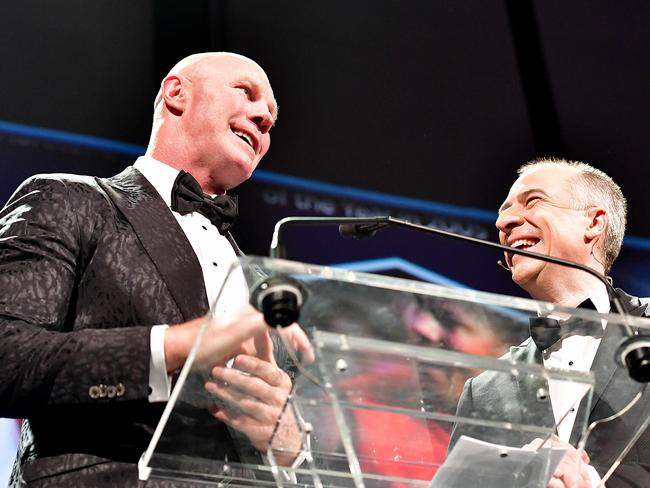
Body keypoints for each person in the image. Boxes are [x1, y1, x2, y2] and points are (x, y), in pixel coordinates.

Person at [0, 52, 312, 486]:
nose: (263, 118)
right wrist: (179, 345)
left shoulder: (265, 293)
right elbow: (7, 356)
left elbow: (308, 451)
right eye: (246, 92)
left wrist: (288, 441)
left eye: (271, 120)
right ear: (176, 93)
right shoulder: (68, 200)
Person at [449, 158, 650, 488]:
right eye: (504, 211)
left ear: (594, 222)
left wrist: (590, 482)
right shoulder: (484, 391)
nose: (505, 221)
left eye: (533, 201)